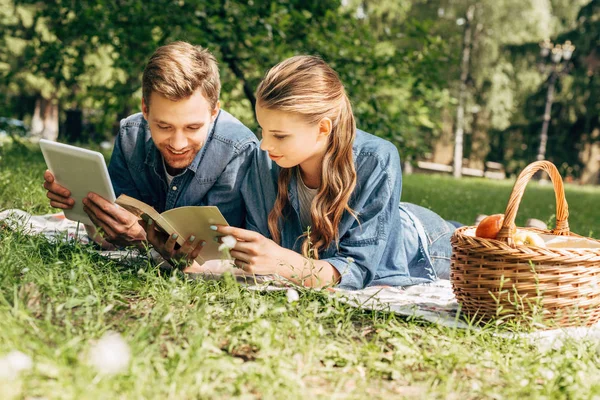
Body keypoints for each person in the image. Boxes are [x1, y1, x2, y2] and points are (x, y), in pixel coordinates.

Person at [189, 55, 457, 290]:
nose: (265, 144)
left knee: (481, 241)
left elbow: (359, 270)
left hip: (420, 241)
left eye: (280, 135)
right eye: (263, 130)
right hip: (389, 217)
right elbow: (260, 255)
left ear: (323, 128)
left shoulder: (376, 160)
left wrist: (283, 262)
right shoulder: (265, 160)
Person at [42, 41, 258, 262]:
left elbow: (215, 256)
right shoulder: (131, 136)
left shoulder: (238, 151)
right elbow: (108, 237)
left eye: (193, 128)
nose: (178, 143)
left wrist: (142, 238)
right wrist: (84, 206)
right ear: (145, 109)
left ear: (214, 112)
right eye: (164, 126)